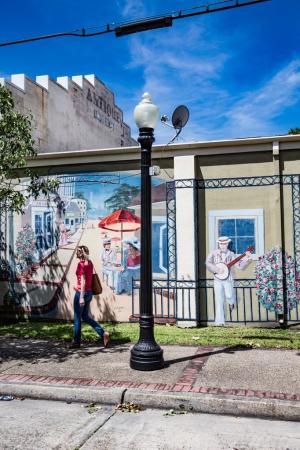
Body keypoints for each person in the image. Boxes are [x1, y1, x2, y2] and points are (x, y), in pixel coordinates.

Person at [69, 245, 110, 348]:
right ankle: (103, 333)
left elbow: (83, 281)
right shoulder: (90, 263)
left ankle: (76, 342)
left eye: (77, 252)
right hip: (89, 293)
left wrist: (81, 296)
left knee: (78, 318)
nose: (76, 254)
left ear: (80, 254)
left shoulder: (81, 264)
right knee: (86, 317)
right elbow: (87, 280)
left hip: (81, 294)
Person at [206, 236, 251, 326]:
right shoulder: (213, 253)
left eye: (225, 244)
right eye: (221, 243)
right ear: (219, 244)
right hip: (217, 279)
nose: (223, 245)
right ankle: (220, 322)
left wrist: (246, 259)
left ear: (227, 244)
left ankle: (231, 302)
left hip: (228, 279)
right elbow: (208, 263)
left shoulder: (231, 254)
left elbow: (239, 266)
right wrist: (217, 270)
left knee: (229, 295)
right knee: (219, 300)